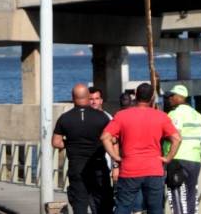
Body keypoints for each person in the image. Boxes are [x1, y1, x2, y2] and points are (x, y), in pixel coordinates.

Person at [100, 83, 181, 214]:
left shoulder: (122, 116)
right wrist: (168, 158)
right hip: (154, 169)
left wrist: (115, 157)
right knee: (155, 209)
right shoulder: (161, 116)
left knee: (123, 207)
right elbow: (177, 138)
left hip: (129, 169)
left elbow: (105, 137)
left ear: (135, 96)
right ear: (152, 98)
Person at [53, 84, 113, 214]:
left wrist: (69, 144)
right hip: (98, 167)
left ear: (73, 98)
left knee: (79, 204)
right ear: (88, 96)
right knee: (103, 203)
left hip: (77, 168)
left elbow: (56, 142)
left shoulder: (64, 118)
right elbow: (112, 139)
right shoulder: (102, 117)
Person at [165, 86, 201, 214]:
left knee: (175, 192)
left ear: (179, 97)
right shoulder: (198, 116)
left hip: (178, 158)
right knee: (191, 193)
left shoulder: (175, 114)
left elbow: (175, 136)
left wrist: (168, 157)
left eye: (172, 96)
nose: (169, 99)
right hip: (195, 159)